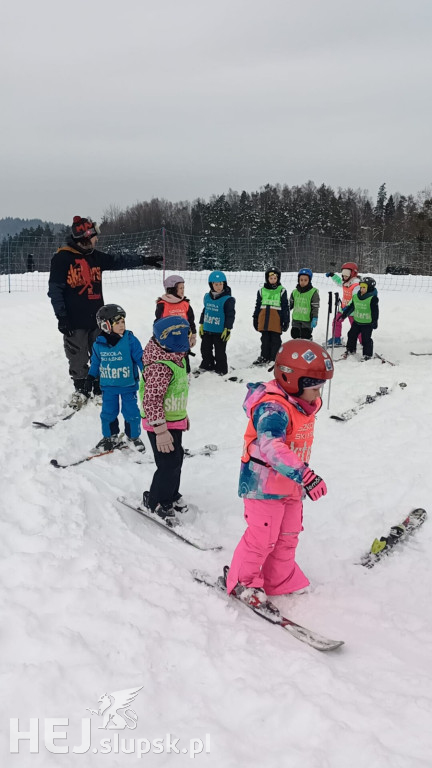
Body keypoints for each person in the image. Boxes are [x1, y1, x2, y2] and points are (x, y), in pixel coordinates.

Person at [223, 339, 334, 607]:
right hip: (263, 487)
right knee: (263, 538)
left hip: (290, 485)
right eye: (315, 388)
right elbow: (271, 447)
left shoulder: (301, 403)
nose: (318, 396)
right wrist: (306, 476)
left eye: (321, 388)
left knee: (288, 535)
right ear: (291, 380)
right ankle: (243, 582)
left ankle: (279, 579)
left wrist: (299, 478)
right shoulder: (273, 408)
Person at [48, 215, 161, 409]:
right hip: (74, 320)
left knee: (101, 354)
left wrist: (144, 259)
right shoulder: (62, 259)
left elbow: (119, 260)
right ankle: (81, 389)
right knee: (77, 355)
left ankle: (100, 387)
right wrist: (62, 317)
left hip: (98, 319)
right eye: (94, 236)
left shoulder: (95, 257)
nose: (96, 239)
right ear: (85, 237)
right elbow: (55, 290)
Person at [139, 316, 191, 519]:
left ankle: (170, 492)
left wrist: (183, 416)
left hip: (173, 421)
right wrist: (161, 432)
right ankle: (157, 500)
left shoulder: (174, 355)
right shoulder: (160, 366)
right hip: (160, 426)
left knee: (176, 459)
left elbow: (176, 391)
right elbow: (151, 401)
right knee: (167, 464)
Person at [84, 304, 145, 453]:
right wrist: (90, 377)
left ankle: (133, 437)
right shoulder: (99, 344)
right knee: (108, 413)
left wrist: (148, 375)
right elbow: (96, 362)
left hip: (128, 385)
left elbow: (140, 359)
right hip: (108, 387)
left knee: (131, 412)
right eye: (117, 323)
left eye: (123, 322)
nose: (122, 325)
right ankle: (110, 437)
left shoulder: (130, 340)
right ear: (105, 325)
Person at [155, 274, 197, 372]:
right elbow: (157, 323)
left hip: (183, 338)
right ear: (172, 289)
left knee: (184, 358)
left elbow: (191, 321)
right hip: (168, 339)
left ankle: (186, 375)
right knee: (170, 359)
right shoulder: (162, 305)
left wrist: (193, 336)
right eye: (180, 288)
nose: (183, 290)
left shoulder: (185, 304)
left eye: (183, 288)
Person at [198, 270, 236, 376]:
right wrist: (201, 324)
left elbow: (230, 315)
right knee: (205, 349)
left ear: (224, 284)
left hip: (220, 331)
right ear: (211, 285)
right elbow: (205, 310)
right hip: (207, 329)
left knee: (220, 352)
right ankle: (207, 364)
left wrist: (227, 329)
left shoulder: (228, 299)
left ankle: (221, 369)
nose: (219, 287)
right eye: (216, 284)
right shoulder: (207, 297)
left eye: (221, 284)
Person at [252, 267, 289, 365]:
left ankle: (274, 358)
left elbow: (285, 307)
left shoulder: (282, 291)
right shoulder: (261, 291)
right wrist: (255, 317)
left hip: (276, 320)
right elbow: (258, 305)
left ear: (278, 279)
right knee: (265, 339)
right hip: (264, 319)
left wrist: (286, 320)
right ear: (267, 279)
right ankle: (264, 357)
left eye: (275, 278)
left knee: (275, 340)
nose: (273, 280)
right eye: (270, 278)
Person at [340, 276, 379, 361]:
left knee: (366, 339)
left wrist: (375, 321)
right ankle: (350, 350)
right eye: (361, 287)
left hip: (367, 323)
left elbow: (375, 311)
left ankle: (367, 355)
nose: (362, 289)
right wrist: (344, 315)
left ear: (369, 288)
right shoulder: (356, 296)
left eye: (364, 287)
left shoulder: (372, 298)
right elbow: (351, 307)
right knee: (351, 335)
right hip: (357, 321)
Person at [326, 262, 360, 345]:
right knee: (336, 321)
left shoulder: (356, 285)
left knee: (356, 326)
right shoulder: (345, 282)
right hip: (343, 308)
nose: (344, 278)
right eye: (343, 276)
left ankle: (363, 341)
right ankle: (336, 338)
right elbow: (339, 281)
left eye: (346, 276)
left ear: (352, 274)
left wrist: (348, 307)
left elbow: (355, 298)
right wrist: (332, 275)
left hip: (352, 310)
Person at [289, 268, 320, 339]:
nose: (303, 282)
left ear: (309, 280)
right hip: (296, 319)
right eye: (301, 280)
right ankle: (297, 348)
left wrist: (315, 318)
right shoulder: (294, 292)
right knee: (294, 334)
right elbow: (290, 305)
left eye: (305, 280)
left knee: (305, 335)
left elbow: (315, 307)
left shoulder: (313, 292)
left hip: (307, 320)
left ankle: (307, 345)